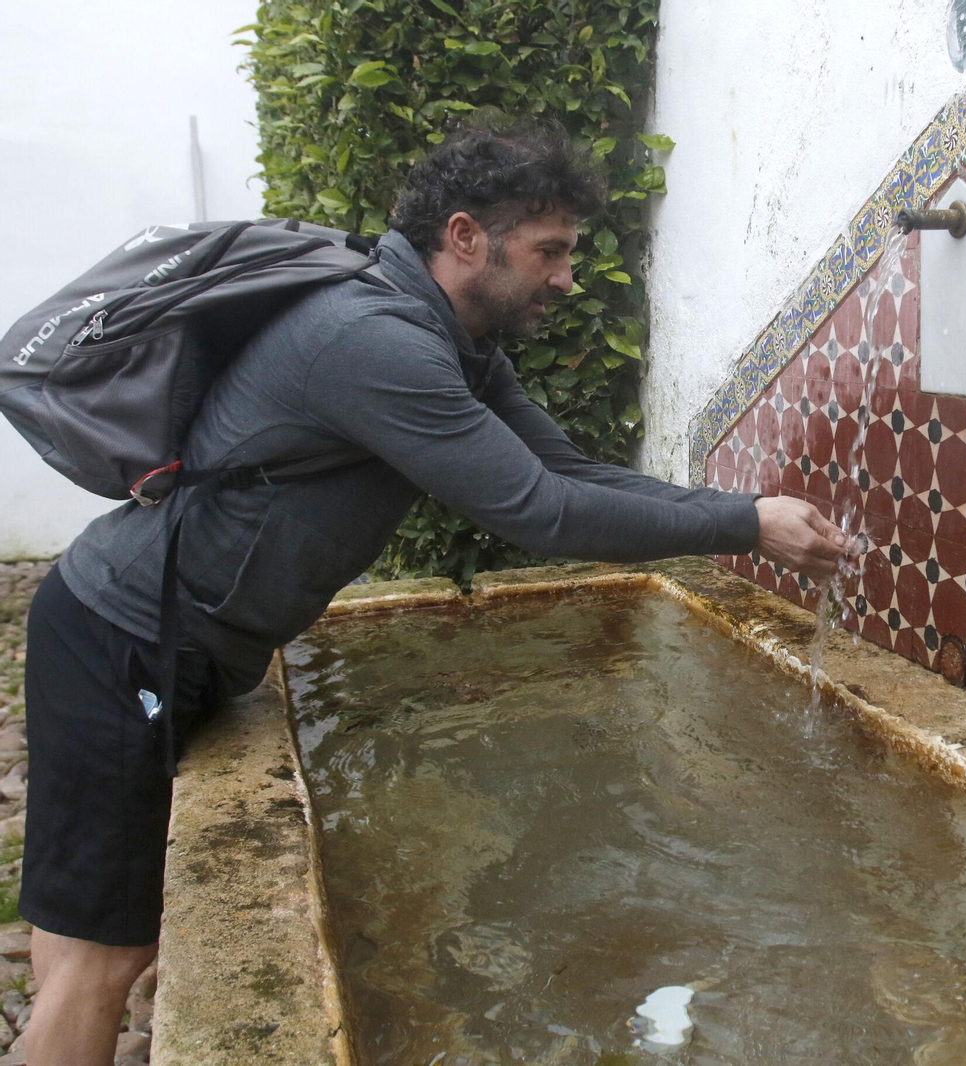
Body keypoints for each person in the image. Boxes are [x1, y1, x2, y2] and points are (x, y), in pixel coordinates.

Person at [19, 118, 847, 1065]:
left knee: (85, 933)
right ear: (464, 238)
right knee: (104, 955)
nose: (567, 277)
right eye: (551, 251)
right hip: (124, 639)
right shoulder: (372, 340)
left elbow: (569, 470)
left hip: (150, 633)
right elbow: (541, 513)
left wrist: (745, 509)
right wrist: (747, 528)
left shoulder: (443, 340)